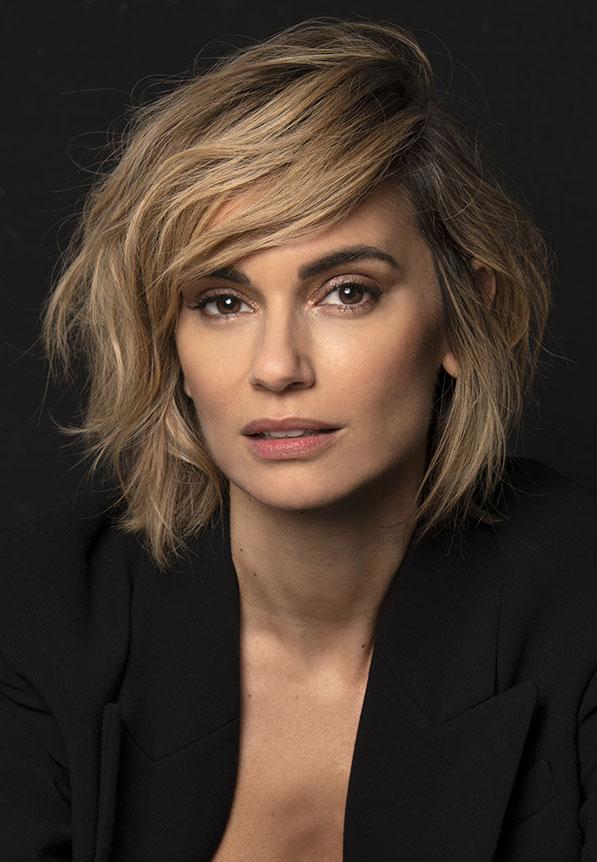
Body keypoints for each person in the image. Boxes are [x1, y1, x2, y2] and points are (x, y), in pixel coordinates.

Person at [1, 17, 596, 862]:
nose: (277, 366)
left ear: (468, 315)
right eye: (222, 302)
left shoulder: (580, 608)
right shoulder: (34, 617)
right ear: (168, 342)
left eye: (346, 291)